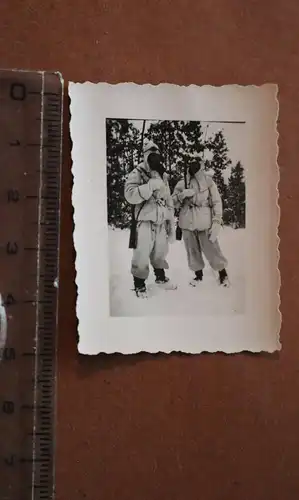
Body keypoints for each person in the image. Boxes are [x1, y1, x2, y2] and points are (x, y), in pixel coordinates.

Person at [124, 139, 177, 298]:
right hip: (145, 221)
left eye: (156, 155)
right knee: (141, 252)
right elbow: (129, 195)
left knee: (160, 251)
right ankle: (139, 284)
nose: (154, 158)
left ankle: (160, 278)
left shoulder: (163, 175)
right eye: (151, 155)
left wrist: (170, 223)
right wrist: (149, 186)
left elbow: (168, 199)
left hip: (161, 221)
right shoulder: (137, 172)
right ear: (146, 156)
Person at [172, 160, 229, 287]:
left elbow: (216, 202)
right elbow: (173, 203)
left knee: (212, 249)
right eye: (190, 164)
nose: (193, 167)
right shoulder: (181, 184)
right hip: (187, 221)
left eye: (196, 164)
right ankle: (198, 275)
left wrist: (217, 219)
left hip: (205, 222)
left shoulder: (208, 182)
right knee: (192, 251)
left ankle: (223, 274)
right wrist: (182, 195)